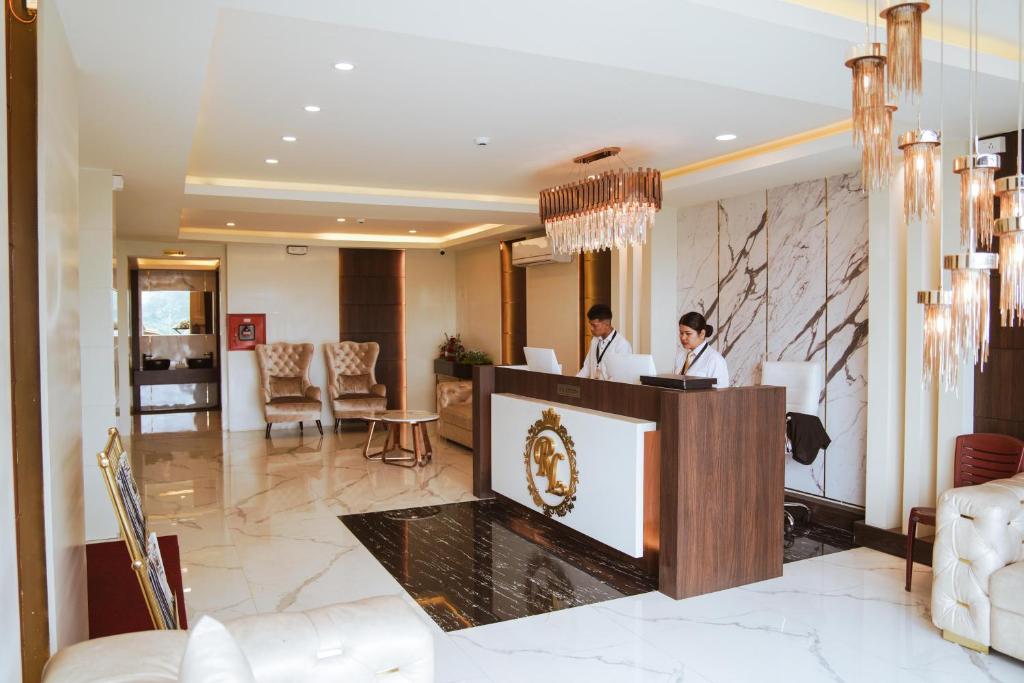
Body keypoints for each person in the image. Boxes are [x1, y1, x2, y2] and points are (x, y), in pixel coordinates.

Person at [674, 311, 729, 387]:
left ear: (702, 334)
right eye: (681, 333)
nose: (683, 338)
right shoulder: (681, 356)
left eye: (688, 333)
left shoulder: (715, 360)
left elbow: (721, 393)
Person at [577, 304, 632, 380]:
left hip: (609, 390)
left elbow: (620, 377)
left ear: (607, 324)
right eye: (590, 324)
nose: (591, 328)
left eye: (594, 325)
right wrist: (573, 382)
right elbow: (586, 368)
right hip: (593, 388)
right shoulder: (594, 340)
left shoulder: (622, 345)